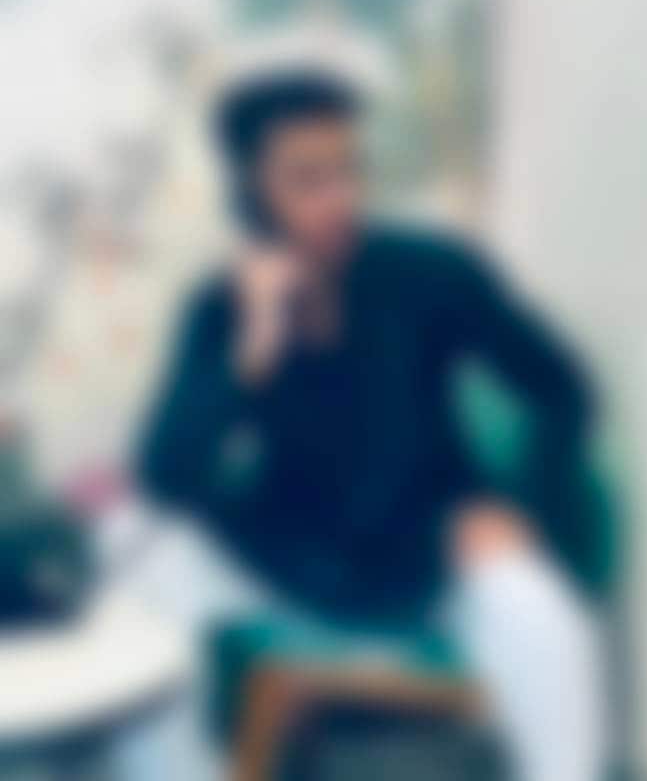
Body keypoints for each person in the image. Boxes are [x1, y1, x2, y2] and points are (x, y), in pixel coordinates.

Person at [130, 70, 605, 780]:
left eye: (348, 170)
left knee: (541, 617)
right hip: (288, 551)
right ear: (252, 193)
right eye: (308, 179)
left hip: (425, 546)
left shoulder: (430, 272)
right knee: (142, 566)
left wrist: (518, 506)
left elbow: (563, 387)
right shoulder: (222, 306)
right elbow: (166, 476)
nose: (340, 199)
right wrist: (252, 348)